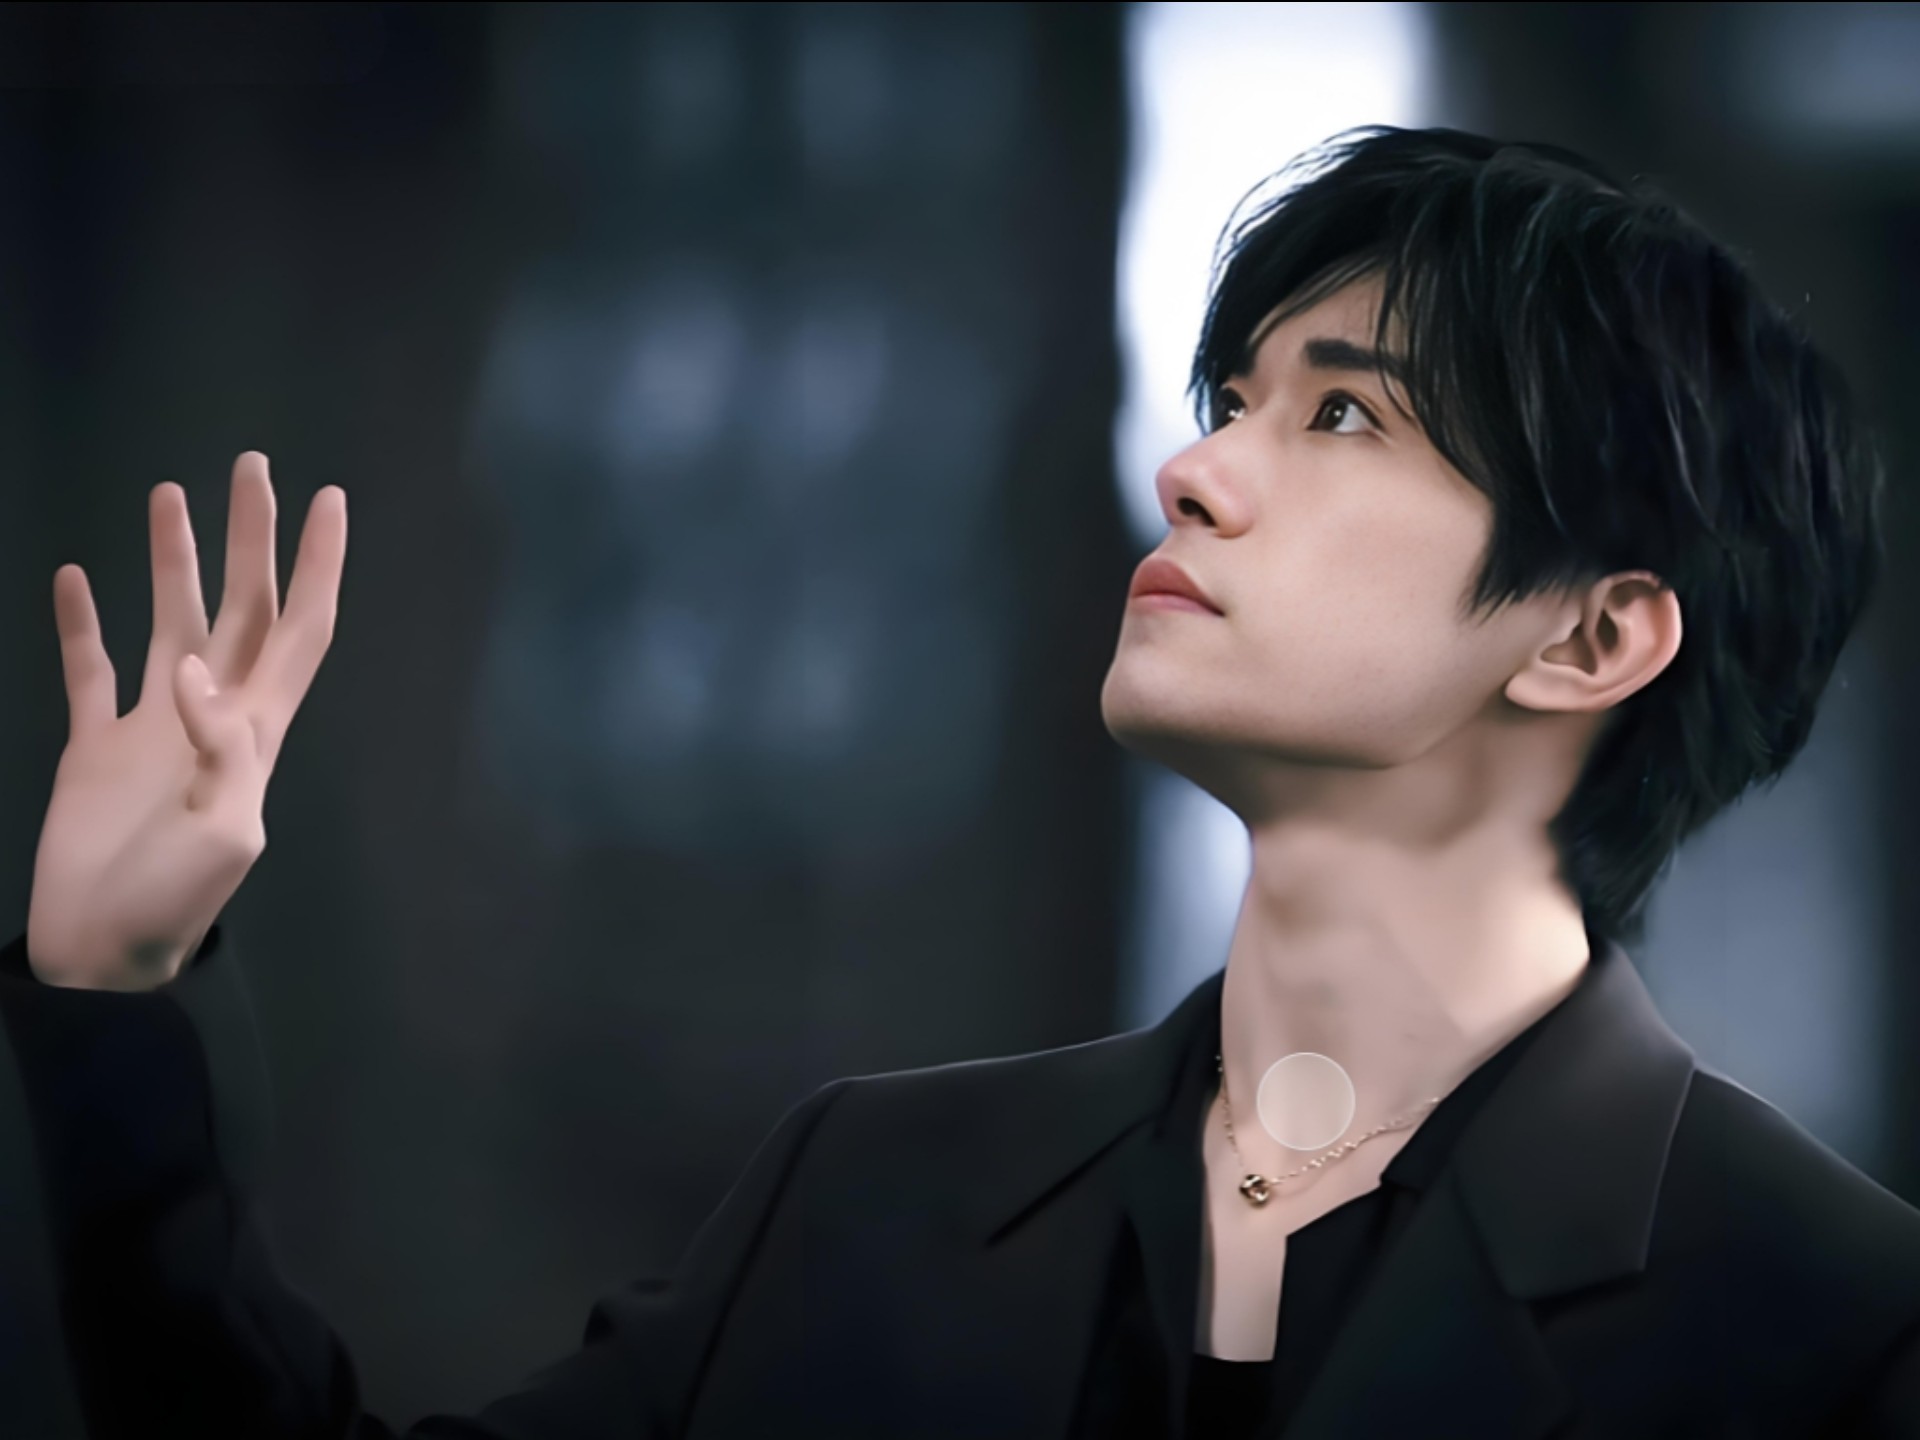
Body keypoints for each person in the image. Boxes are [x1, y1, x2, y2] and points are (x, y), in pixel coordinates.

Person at [1, 124, 1916, 1439]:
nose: (1195, 472)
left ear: (1593, 636)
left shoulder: (1830, 1327)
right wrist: (116, 995)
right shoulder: (876, 1197)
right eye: (1230, 402)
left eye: (1344, 411)